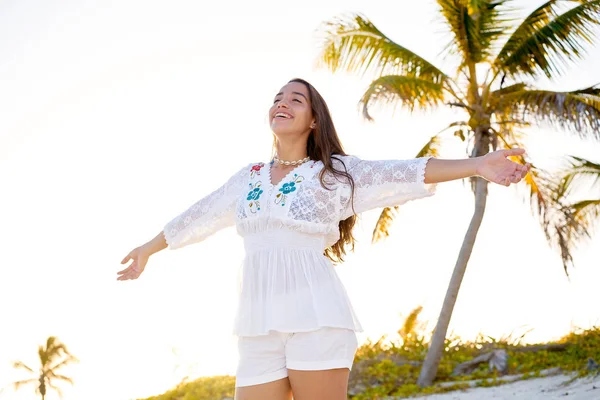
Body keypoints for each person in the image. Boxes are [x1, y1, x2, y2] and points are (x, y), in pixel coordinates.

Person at [118, 78, 530, 400]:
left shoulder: (332, 174)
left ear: (314, 119)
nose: (282, 102)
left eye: (296, 99)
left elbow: (404, 171)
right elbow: (201, 213)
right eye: (278, 97)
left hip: (316, 316)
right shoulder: (248, 178)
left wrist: (478, 164)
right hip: (257, 321)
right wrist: (149, 249)